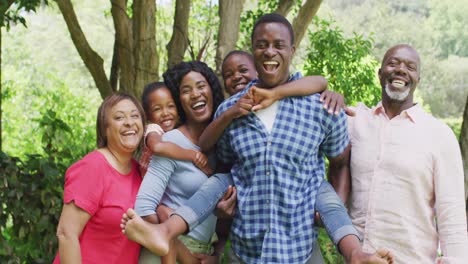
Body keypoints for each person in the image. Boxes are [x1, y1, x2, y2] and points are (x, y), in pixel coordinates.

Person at [122, 14, 393, 264]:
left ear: (292, 50)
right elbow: (225, 167)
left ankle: (356, 254)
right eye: (262, 45)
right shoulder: (230, 111)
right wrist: (222, 212)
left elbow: (340, 160)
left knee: (325, 193)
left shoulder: (321, 106)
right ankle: (166, 231)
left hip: (299, 249)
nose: (270, 51)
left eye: (279, 44)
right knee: (219, 180)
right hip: (245, 251)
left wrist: (331, 209)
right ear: (254, 51)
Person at [345, 44, 468, 263]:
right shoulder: (355, 123)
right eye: (393, 63)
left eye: (410, 67)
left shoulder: (439, 135)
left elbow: (452, 214)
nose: (401, 69)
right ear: (380, 73)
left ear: (418, 79)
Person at [133, 61, 226, 263]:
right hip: (168, 253)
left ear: (212, 89)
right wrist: (182, 252)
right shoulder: (173, 142)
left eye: (201, 86)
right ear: (179, 100)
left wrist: (217, 254)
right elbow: (143, 208)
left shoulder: (224, 146)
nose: (195, 94)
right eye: (186, 90)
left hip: (204, 254)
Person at [54, 93, 144, 263]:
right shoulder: (92, 167)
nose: (129, 122)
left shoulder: (140, 172)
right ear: (105, 128)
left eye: (135, 116)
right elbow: (66, 234)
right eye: (119, 117)